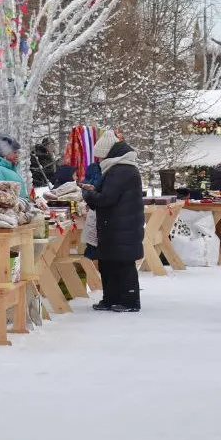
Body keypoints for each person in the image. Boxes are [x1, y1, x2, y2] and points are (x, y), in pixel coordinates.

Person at [81, 134, 145, 313]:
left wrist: (87, 194)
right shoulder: (118, 169)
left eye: (101, 156)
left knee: (123, 264)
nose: (99, 160)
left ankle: (130, 301)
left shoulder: (121, 170)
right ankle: (110, 298)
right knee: (108, 263)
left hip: (121, 226)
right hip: (116, 225)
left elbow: (107, 198)